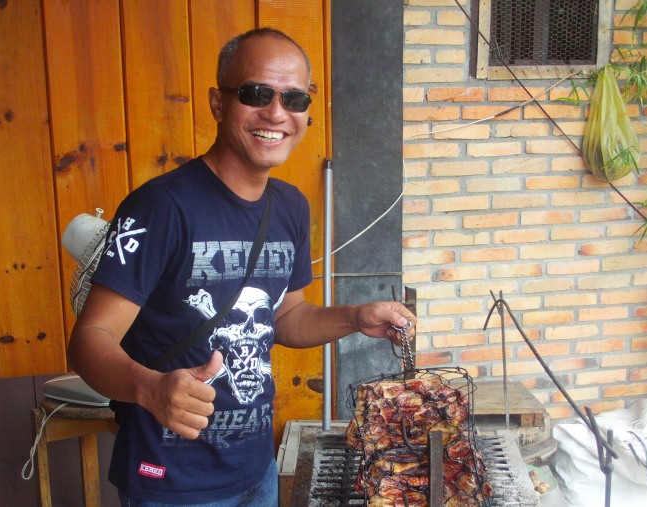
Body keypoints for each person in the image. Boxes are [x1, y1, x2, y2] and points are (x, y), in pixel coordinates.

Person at [67, 27, 416, 506]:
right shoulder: (160, 207)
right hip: (174, 482)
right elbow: (89, 340)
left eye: (294, 99)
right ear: (217, 102)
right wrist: (148, 388)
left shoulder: (290, 206)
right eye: (256, 94)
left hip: (256, 470)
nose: (276, 113)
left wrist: (355, 318)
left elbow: (286, 318)